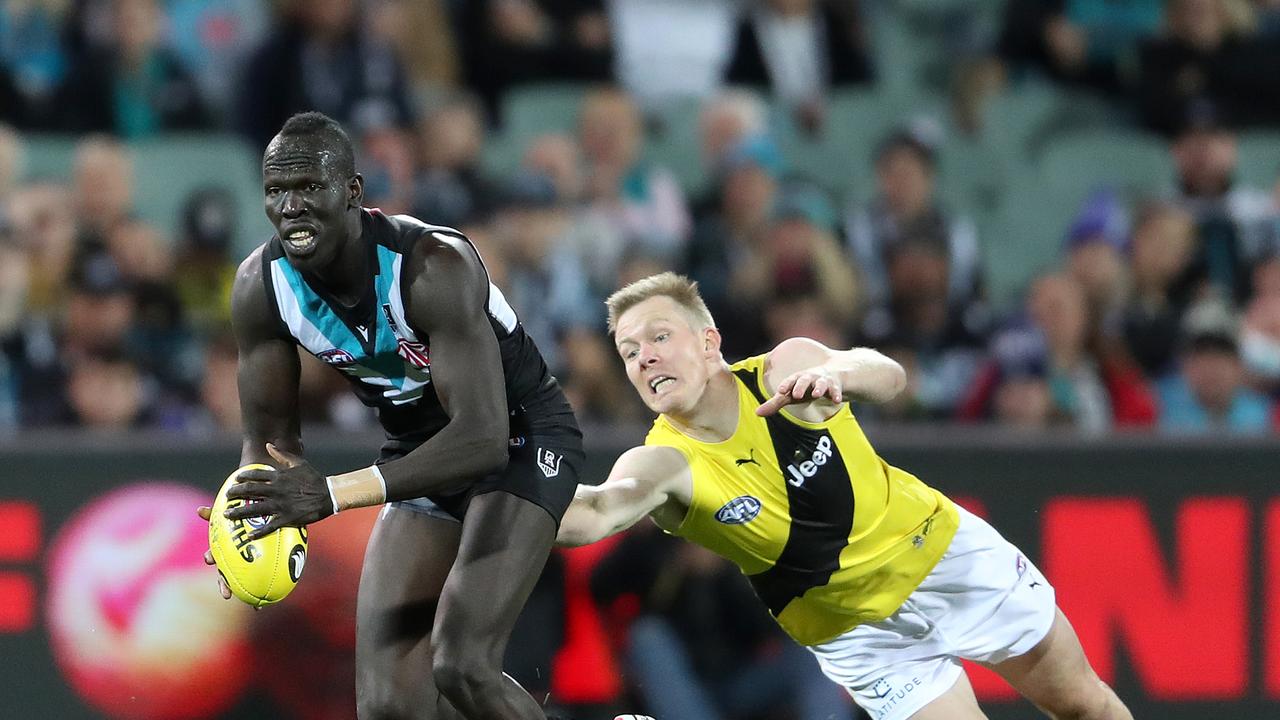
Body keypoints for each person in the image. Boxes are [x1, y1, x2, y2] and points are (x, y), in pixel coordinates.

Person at [556, 271, 1134, 720]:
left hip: (945, 556)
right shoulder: (660, 461)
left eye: (659, 336)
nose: (645, 356)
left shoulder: (786, 367)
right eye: (630, 352)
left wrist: (840, 375)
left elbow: (887, 375)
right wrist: (498, 485)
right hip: (859, 635)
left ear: (710, 344)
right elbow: (596, 512)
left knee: (1084, 705)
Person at [195, 111, 587, 720]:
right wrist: (245, 526)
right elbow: (269, 443)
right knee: (386, 705)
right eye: (276, 191)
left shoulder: (434, 264)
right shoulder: (259, 286)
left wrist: (333, 493)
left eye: (309, 188)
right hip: (418, 449)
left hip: (519, 437)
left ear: (352, 192)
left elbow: (482, 439)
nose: (291, 206)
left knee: (462, 666)